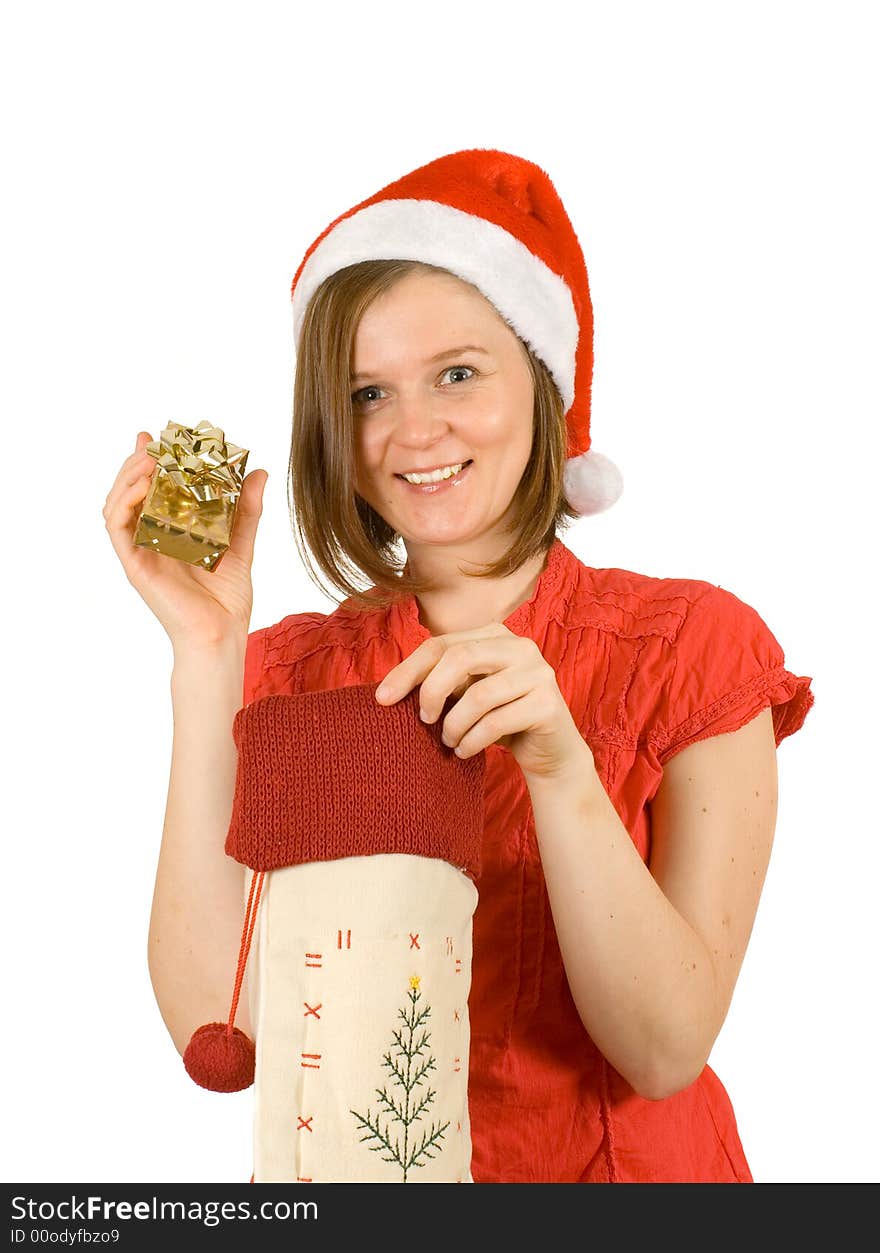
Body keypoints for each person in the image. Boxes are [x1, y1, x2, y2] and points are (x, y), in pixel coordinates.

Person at [104, 148, 814, 1183]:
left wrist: (564, 771)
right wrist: (205, 654)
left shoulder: (689, 648)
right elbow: (227, 1032)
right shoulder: (287, 671)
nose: (414, 429)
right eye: (365, 392)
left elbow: (663, 1049)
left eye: (457, 372)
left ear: (543, 380)